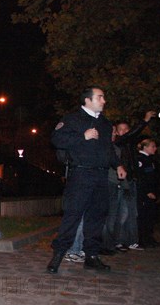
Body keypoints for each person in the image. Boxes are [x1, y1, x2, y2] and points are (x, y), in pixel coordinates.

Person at [47, 87, 126, 274]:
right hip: (81, 175)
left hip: (101, 176)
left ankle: (91, 256)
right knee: (72, 215)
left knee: (97, 217)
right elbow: (56, 139)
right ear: (87, 100)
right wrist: (83, 136)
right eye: (100, 97)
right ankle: (58, 254)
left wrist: (119, 165)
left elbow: (108, 149)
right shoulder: (72, 119)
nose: (104, 101)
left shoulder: (106, 124)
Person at [104, 112, 157, 252]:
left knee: (130, 214)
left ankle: (127, 241)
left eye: (126, 129)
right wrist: (144, 121)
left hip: (130, 182)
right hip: (119, 182)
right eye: (120, 129)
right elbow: (130, 136)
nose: (123, 132)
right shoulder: (117, 143)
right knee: (118, 214)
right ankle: (114, 242)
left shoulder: (130, 145)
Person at [136, 138, 160, 248]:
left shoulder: (149, 159)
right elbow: (141, 178)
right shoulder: (141, 159)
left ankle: (149, 238)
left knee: (150, 217)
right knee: (143, 217)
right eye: (152, 146)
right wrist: (147, 192)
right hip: (144, 194)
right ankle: (142, 240)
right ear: (145, 147)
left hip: (151, 193)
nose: (155, 149)